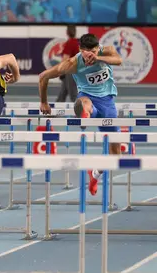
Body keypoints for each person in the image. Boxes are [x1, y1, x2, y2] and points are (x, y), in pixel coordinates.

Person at [38, 33, 123, 196]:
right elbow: (43, 77)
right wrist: (44, 102)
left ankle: (95, 174)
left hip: (108, 104)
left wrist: (99, 58)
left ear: (98, 48)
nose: (90, 55)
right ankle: (85, 114)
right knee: (85, 102)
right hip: (87, 97)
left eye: (93, 51)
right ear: (80, 50)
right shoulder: (72, 64)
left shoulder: (106, 51)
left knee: (116, 155)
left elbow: (119, 60)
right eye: (86, 52)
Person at [56, 25, 79, 102]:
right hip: (75, 71)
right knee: (62, 94)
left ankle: (81, 112)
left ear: (67, 32)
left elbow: (65, 59)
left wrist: (60, 71)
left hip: (70, 72)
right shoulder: (77, 43)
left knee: (73, 95)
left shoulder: (70, 43)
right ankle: (53, 112)